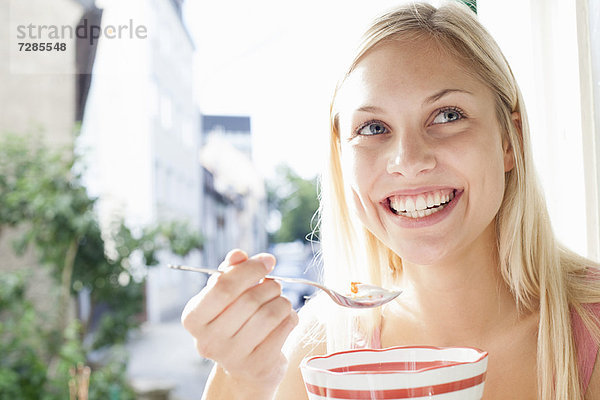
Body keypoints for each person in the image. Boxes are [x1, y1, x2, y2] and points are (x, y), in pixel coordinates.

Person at [181, 2, 600, 399]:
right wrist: (236, 384)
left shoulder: (591, 326)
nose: (409, 161)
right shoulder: (312, 355)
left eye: (448, 115)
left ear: (511, 141)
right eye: (373, 127)